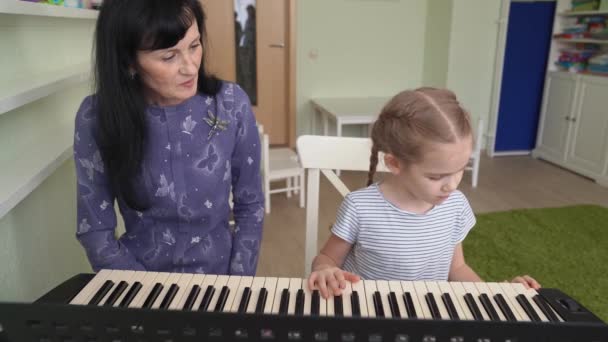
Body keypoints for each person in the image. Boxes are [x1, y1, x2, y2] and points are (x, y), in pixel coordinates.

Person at [74, 0, 264, 275]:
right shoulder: (97, 117)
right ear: (129, 61)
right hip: (138, 283)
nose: (190, 68)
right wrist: (146, 297)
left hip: (221, 278)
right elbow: (95, 231)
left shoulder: (231, 104)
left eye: (195, 46)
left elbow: (250, 205)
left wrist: (237, 287)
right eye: (169, 56)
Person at [308, 88, 540, 298]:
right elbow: (327, 258)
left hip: (426, 312)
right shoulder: (360, 207)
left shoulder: (455, 205)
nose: (451, 185)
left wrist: (497, 294)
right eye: (436, 177)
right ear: (395, 164)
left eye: (460, 170)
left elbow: (457, 268)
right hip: (369, 310)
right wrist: (325, 270)